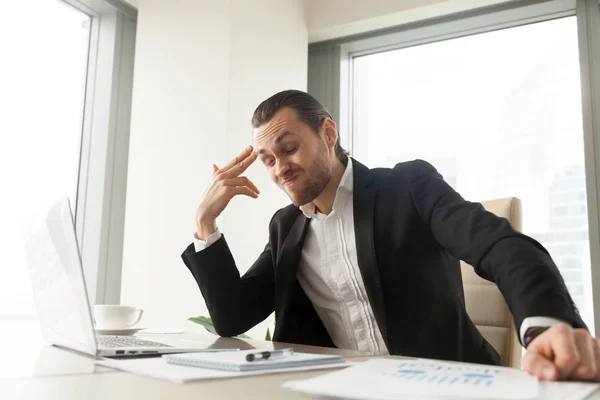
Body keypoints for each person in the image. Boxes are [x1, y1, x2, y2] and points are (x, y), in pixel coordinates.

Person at [182, 89, 600, 381]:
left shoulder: (408, 186)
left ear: (328, 135)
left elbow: (499, 244)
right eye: (268, 160)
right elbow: (232, 318)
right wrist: (205, 223)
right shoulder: (286, 227)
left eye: (288, 149)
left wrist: (548, 324)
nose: (279, 169)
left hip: (445, 388)